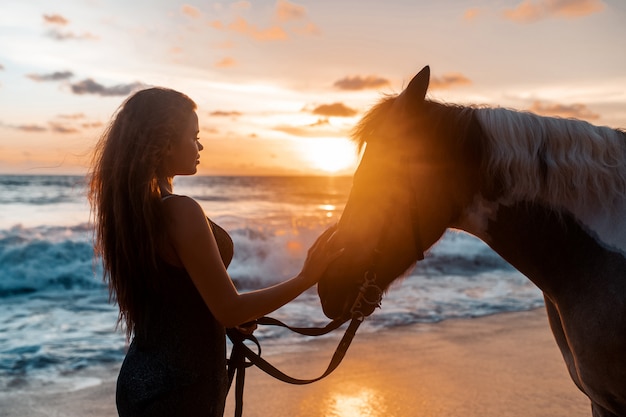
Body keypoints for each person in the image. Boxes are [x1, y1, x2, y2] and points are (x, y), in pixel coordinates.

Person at [88, 87, 342, 417]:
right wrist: (306, 278)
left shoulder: (136, 212)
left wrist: (218, 321)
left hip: (145, 379)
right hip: (183, 387)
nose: (200, 145)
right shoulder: (180, 210)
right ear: (165, 142)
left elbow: (177, 301)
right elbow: (229, 308)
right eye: (193, 136)